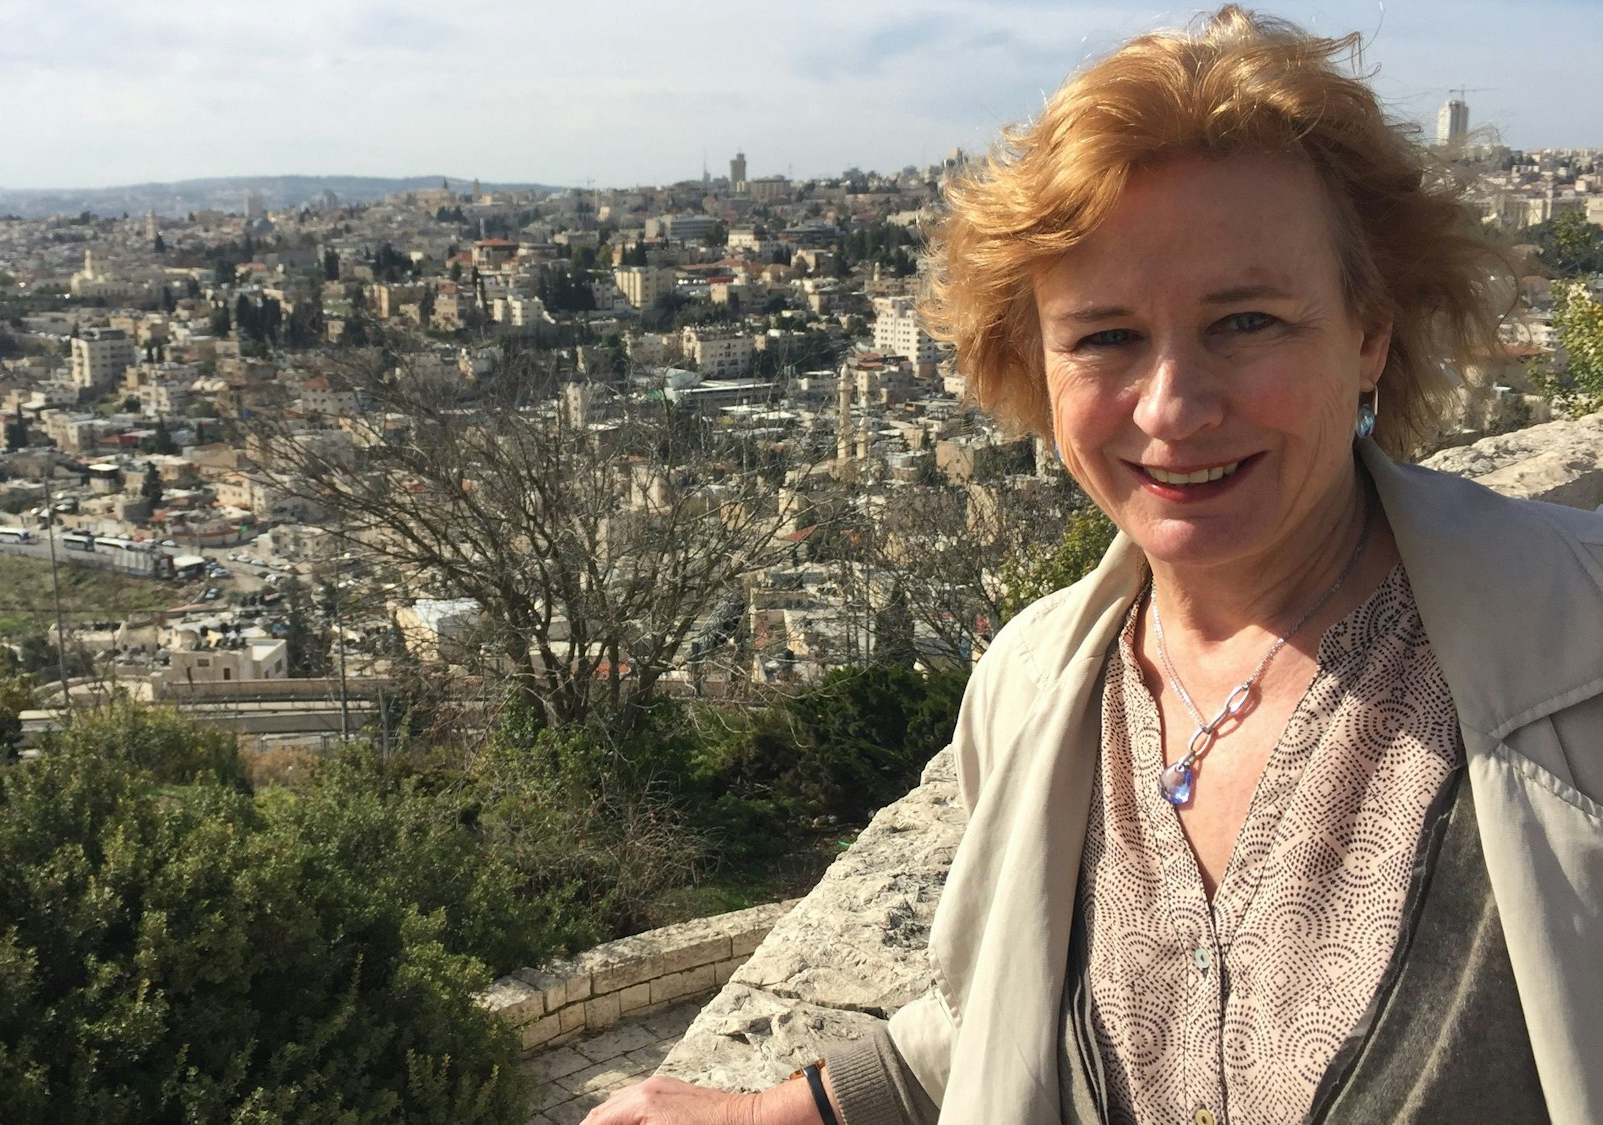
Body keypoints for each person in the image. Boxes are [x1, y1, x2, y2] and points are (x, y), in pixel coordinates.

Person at [587, 7, 1602, 1125]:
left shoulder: (1578, 645)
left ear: (1368, 334)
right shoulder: (1030, 686)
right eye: (1106, 337)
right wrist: (780, 1110)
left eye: (1246, 321)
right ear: (1036, 363)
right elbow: (1005, 1011)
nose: (1172, 408)